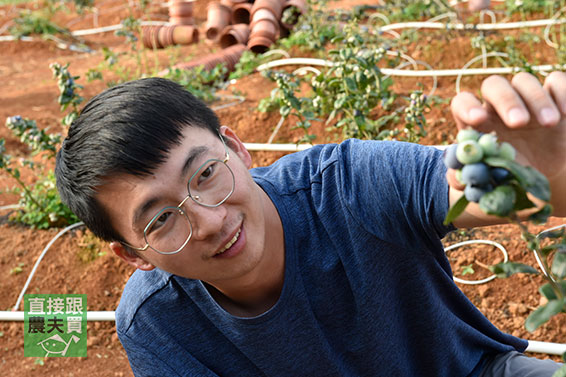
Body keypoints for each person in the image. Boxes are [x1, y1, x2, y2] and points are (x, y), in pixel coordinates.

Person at [55, 71, 566, 377]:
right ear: (133, 254)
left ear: (237, 147)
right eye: (162, 219)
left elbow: (465, 191)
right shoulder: (156, 323)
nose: (210, 220)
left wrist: (545, 177)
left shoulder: (347, 185)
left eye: (206, 174)